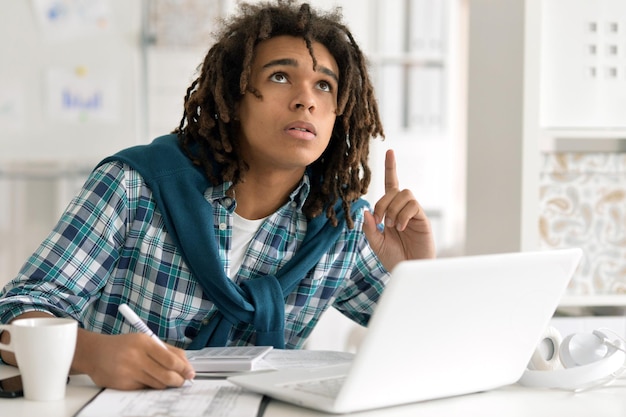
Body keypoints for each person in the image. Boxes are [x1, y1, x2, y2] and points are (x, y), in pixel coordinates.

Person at [0, 0, 435, 390]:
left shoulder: (340, 225)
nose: (306, 100)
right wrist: (92, 354)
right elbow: (17, 313)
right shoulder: (134, 185)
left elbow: (428, 348)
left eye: (325, 85)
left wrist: (415, 275)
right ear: (235, 94)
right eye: (281, 76)